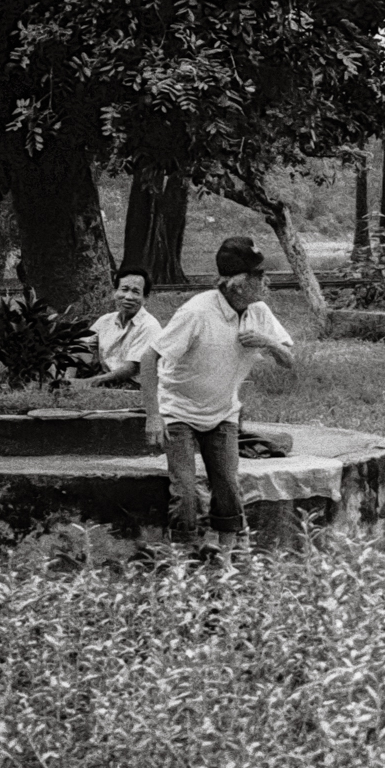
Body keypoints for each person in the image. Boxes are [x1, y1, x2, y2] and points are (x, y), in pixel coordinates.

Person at [141, 238, 295, 571]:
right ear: (238, 284)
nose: (265, 283)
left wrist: (268, 342)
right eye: (259, 276)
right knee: (186, 492)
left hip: (223, 412)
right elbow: (150, 356)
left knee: (227, 485)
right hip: (178, 411)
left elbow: (289, 361)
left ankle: (226, 562)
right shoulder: (197, 311)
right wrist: (153, 416)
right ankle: (181, 561)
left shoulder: (259, 312)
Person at [80, 265, 162, 387]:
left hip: (135, 387)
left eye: (136, 292)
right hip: (105, 380)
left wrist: (87, 383)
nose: (128, 297)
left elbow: (131, 369)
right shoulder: (105, 321)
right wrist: (68, 380)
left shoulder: (149, 326)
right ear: (115, 292)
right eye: (124, 289)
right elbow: (81, 348)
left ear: (145, 298)